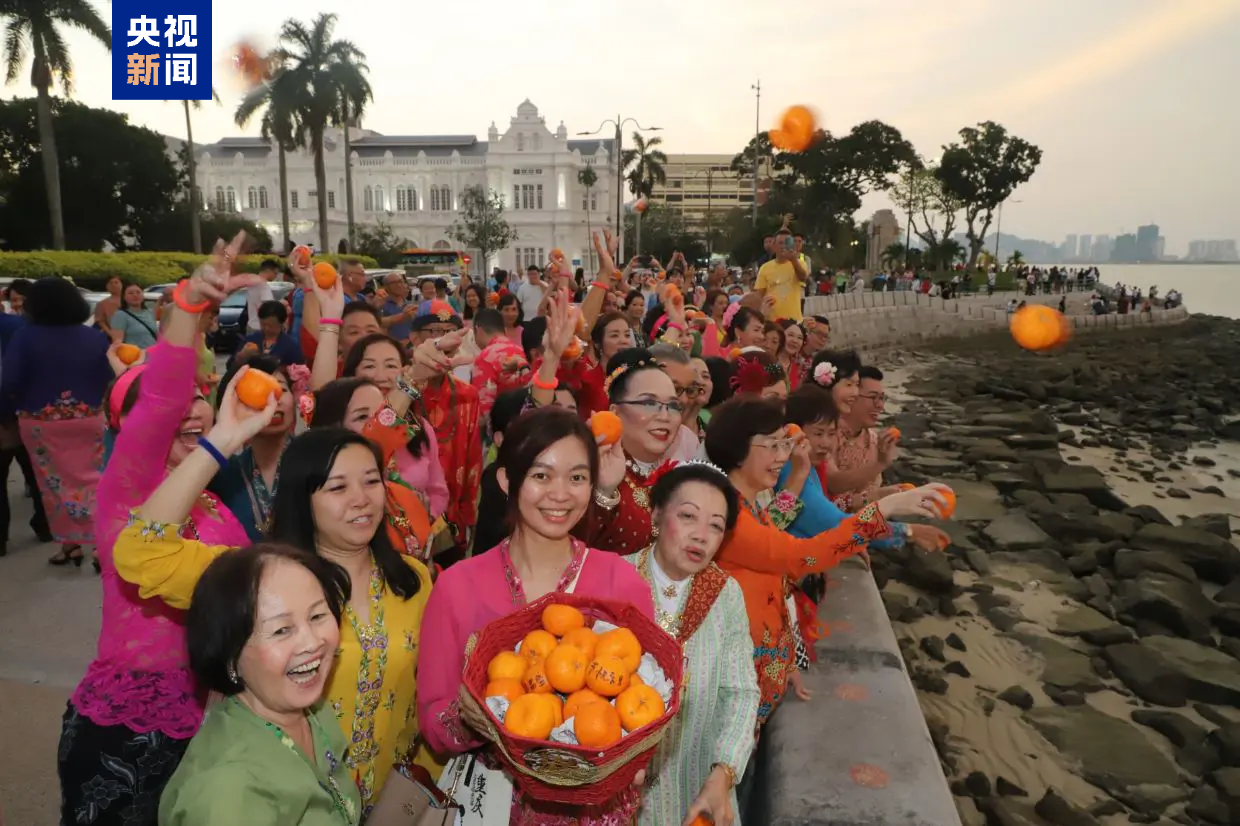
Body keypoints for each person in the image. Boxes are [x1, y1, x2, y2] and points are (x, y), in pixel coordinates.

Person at [114, 427, 435, 817]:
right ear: (303, 498)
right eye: (337, 487)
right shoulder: (260, 583)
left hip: (392, 798)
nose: (362, 499)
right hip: (287, 801)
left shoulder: (413, 580)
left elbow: (425, 692)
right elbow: (141, 552)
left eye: (371, 481)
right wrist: (220, 442)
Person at [59, 235, 264, 826]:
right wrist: (189, 310)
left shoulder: (213, 502)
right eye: (175, 404)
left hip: (216, 718)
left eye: (201, 397)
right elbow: (161, 401)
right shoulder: (125, 494)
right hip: (131, 725)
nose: (191, 408)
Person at [417, 407, 654, 825]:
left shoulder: (621, 583)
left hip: (591, 813)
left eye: (577, 478)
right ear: (507, 480)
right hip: (488, 806)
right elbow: (433, 725)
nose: (560, 494)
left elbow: (645, 711)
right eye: (541, 476)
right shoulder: (457, 586)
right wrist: (469, 717)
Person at [703, 398, 947, 731]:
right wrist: (885, 509)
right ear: (737, 451)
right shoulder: (730, 518)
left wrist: (785, 662)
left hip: (762, 666)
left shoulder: (747, 505)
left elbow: (777, 539)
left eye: (784, 444)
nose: (782, 457)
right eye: (772, 446)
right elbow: (806, 555)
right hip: (736, 681)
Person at [157, 544, 361, 825]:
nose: (313, 642)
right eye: (281, 630)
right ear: (231, 657)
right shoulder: (228, 794)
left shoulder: (310, 711)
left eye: (317, 616)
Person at [630, 464, 758, 826]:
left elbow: (741, 692)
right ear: (657, 514)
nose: (701, 536)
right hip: (617, 795)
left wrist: (723, 774)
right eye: (688, 516)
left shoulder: (724, 594)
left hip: (696, 788)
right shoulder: (618, 579)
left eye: (715, 526)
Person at [0, 277, 111, 565]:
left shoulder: (25, 337)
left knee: (52, 483)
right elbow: (109, 377)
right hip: (89, 417)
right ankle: (102, 543)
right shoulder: (95, 337)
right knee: (94, 479)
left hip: (41, 421)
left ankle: (70, 544)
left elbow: (9, 381)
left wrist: (7, 410)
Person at [582, 349, 684, 555]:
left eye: (673, 405)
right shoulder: (589, 468)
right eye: (649, 403)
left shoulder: (677, 478)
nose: (665, 416)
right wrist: (603, 492)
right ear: (615, 412)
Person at [340, 333, 451, 522]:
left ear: (404, 370)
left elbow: (438, 492)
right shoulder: (343, 422)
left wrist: (423, 517)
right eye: (369, 366)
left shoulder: (420, 427)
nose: (380, 376)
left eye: (390, 366)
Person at [207, 355, 300, 542]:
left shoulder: (317, 458)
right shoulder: (221, 473)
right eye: (259, 390)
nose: (274, 400)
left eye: (281, 389)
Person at [471, 308, 532, 420]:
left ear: (478, 329)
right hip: (523, 420)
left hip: (499, 424)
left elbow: (484, 410)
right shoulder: (519, 350)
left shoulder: (485, 357)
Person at [754, 228, 808, 322]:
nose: (784, 246)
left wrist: (793, 260)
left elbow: (803, 277)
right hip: (773, 322)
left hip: (794, 321)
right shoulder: (765, 268)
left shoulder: (800, 263)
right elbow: (758, 295)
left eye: (787, 243)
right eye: (780, 243)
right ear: (774, 246)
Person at [236, 300, 304, 366]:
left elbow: (299, 369)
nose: (266, 328)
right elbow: (233, 364)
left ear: (281, 323)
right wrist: (243, 355)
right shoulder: (252, 339)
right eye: (263, 324)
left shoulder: (290, 346)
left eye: (270, 325)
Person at [111, 281, 160, 349]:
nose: (135, 295)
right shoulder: (120, 315)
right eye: (130, 293)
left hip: (153, 354)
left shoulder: (148, 312)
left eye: (138, 292)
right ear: (124, 297)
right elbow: (117, 342)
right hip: (135, 354)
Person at [245, 258, 280, 337]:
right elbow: (268, 307)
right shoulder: (263, 285)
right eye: (275, 273)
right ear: (268, 270)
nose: (275, 276)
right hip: (261, 328)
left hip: (251, 325)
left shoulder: (252, 282)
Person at [378, 271, 416, 342]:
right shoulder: (381, 305)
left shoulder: (410, 305)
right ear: (386, 286)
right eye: (394, 283)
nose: (399, 285)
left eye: (400, 281)